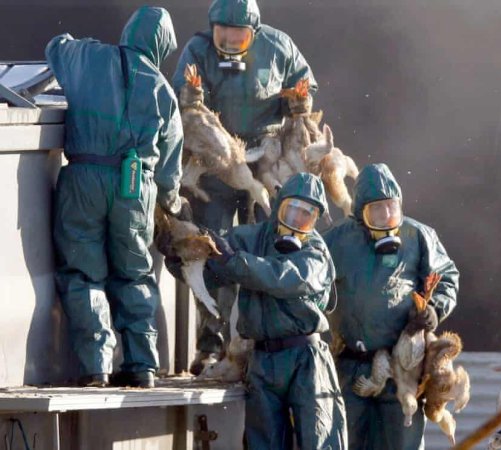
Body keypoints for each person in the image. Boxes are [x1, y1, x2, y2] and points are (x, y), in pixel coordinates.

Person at [172, 0, 317, 373]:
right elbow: (181, 104)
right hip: (216, 161)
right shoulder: (197, 50)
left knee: (270, 249)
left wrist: (299, 100)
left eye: (240, 39)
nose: (231, 45)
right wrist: (189, 101)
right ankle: (211, 344)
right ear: (213, 29)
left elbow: (303, 87)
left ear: (255, 34)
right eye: (225, 37)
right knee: (214, 251)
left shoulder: (279, 46)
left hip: (265, 159)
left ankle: (258, 341)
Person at [46, 6, 186, 388]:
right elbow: (171, 168)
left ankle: (97, 367)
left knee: (82, 271)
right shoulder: (164, 89)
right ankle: (143, 366)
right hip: (136, 187)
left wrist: (77, 44)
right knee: (135, 274)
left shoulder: (91, 57)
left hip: (85, 178)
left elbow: (56, 47)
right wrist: (170, 204)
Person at [165, 173, 345, 449]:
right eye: (291, 211)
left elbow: (282, 277)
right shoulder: (253, 237)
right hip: (262, 359)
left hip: (307, 359)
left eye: (306, 216)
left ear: (315, 220)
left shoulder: (316, 251)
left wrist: (234, 260)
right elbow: (215, 268)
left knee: (321, 441)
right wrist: (182, 257)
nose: (296, 222)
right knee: (263, 443)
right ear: (278, 207)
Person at [323, 163, 460, 450]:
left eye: (391, 207)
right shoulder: (337, 240)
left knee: (402, 442)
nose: (386, 217)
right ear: (361, 213)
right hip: (351, 366)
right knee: (346, 442)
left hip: (403, 370)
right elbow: (312, 281)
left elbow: (446, 276)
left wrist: (435, 308)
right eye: (377, 209)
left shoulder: (418, 235)